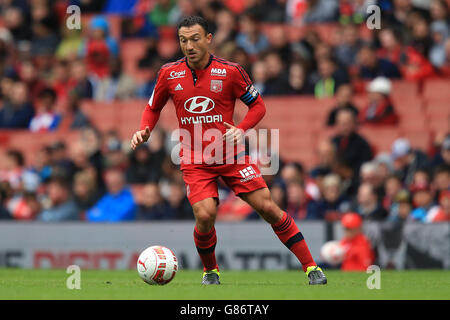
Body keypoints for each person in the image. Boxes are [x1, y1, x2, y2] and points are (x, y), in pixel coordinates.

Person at [130, 16, 326, 285]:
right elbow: (152, 107)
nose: (189, 46)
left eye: (195, 39)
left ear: (209, 39)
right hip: (194, 158)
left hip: (230, 155)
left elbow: (258, 106)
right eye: (183, 40)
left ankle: (311, 267)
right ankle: (211, 271)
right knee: (205, 214)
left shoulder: (231, 71)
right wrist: (145, 129)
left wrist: (241, 128)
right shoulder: (169, 73)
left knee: (267, 207)